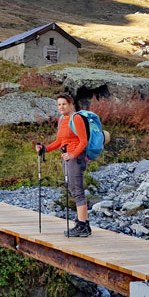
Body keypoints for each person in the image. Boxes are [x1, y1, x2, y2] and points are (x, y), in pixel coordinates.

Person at [36, 94, 91, 237]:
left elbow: (83, 141)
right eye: (59, 105)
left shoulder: (76, 118)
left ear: (71, 104)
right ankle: (83, 223)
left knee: (77, 190)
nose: (61, 107)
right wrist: (45, 149)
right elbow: (60, 141)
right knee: (72, 188)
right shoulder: (62, 120)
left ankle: (83, 225)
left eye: (64, 104)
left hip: (75, 158)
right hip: (67, 158)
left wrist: (73, 155)